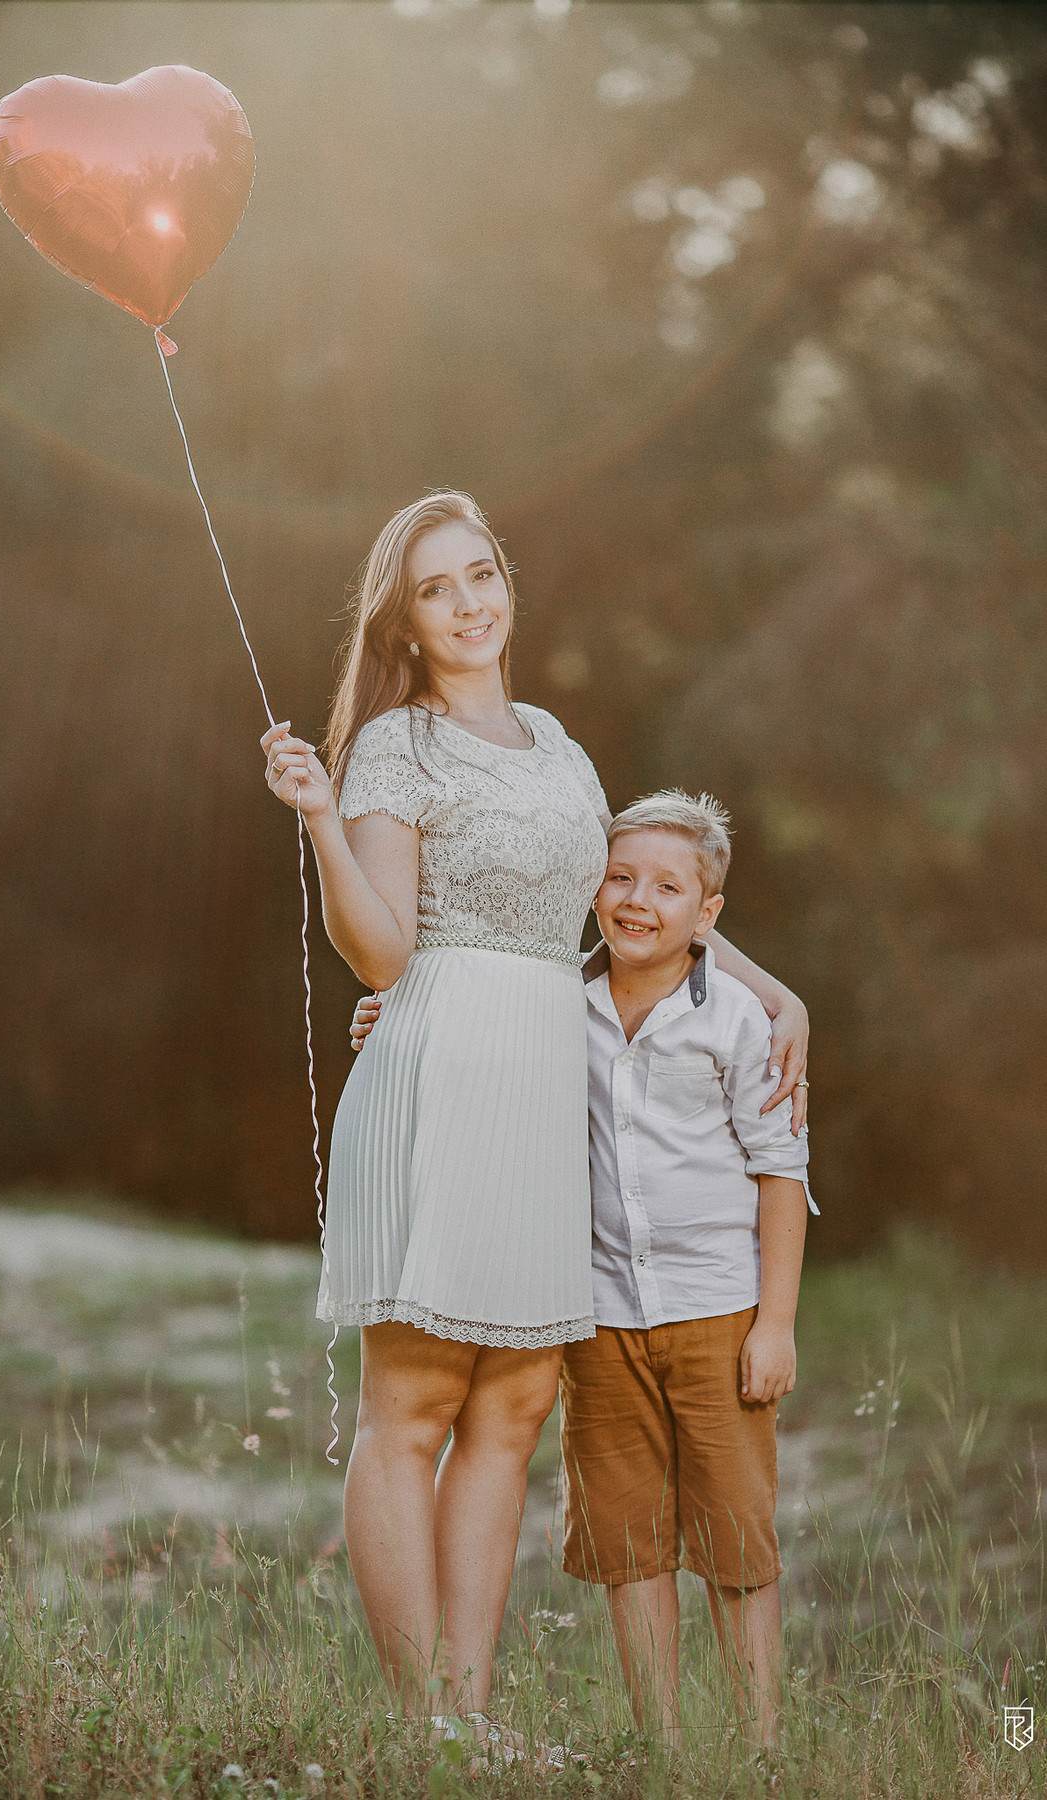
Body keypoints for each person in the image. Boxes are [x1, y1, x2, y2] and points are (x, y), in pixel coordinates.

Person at [263, 491, 808, 1732]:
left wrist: (777, 997)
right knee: (414, 1403)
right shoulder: (392, 745)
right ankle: (425, 1722)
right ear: (402, 619)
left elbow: (635, 905)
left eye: (480, 575)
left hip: (539, 1086)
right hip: (444, 1062)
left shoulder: (559, 745)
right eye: (435, 589)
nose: (467, 605)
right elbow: (382, 955)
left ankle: (471, 1709)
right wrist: (317, 827)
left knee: (512, 1405)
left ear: (507, 582)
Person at [561, 790, 814, 1753]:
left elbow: (781, 1172)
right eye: (620, 877)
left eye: (666, 887)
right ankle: (660, 1749)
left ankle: (761, 1745)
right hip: (598, 1314)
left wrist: (775, 1325)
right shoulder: (561, 1003)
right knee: (629, 1544)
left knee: (736, 1541)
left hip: (718, 1310)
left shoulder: (741, 1022)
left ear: (705, 915)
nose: (636, 900)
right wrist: (387, 1020)